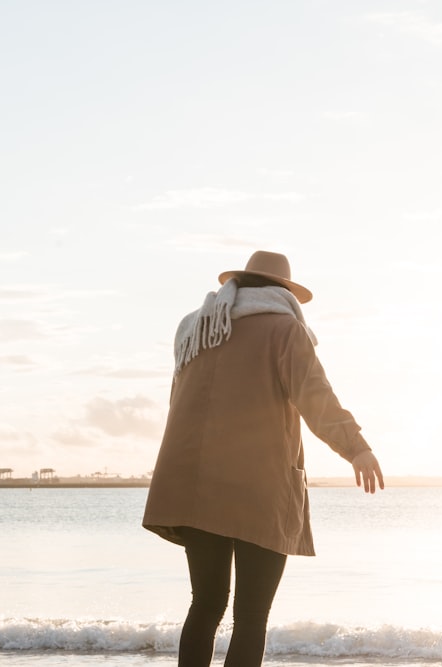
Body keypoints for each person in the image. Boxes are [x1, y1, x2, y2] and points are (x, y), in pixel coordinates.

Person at [143, 250, 384, 667]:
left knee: (205, 604)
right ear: (283, 292)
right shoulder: (284, 329)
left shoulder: (197, 327)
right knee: (251, 615)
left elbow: (176, 404)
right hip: (259, 488)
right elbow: (316, 399)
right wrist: (356, 447)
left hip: (192, 486)